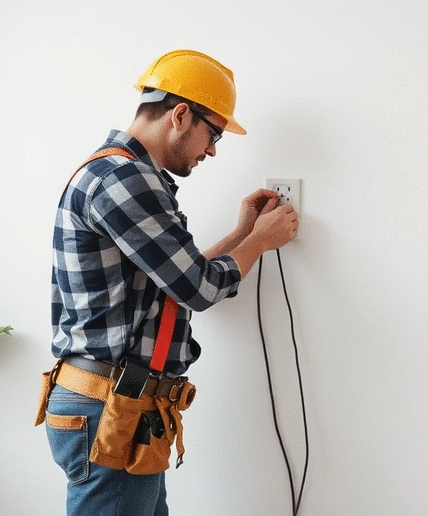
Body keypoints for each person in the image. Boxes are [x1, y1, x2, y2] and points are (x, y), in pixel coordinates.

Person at [37, 49, 299, 516]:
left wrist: (243, 233)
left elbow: (175, 282)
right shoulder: (124, 179)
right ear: (180, 115)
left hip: (119, 406)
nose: (212, 150)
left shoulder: (124, 176)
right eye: (214, 133)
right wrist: (259, 242)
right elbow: (198, 288)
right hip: (111, 407)